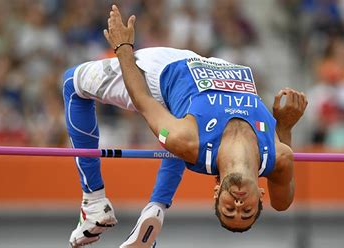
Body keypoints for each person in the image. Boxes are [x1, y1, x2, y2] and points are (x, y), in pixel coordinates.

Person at [63, 4, 307, 248]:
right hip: (218, 67)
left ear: (217, 191)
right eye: (247, 211)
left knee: (72, 84)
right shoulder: (277, 156)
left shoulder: (190, 141)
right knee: (179, 134)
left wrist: (123, 47)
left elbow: (143, 99)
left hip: (163, 73)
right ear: (260, 195)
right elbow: (283, 202)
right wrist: (284, 126)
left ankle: (94, 202)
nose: (238, 205)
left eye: (229, 209)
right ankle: (156, 206)